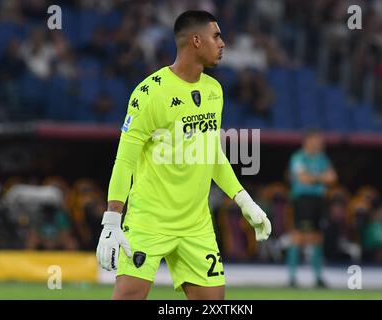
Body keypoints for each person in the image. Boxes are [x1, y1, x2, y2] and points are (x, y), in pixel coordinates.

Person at [96, 10, 271, 300]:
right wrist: (112, 221)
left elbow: (211, 153)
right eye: (216, 36)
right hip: (148, 221)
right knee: (128, 296)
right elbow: (125, 159)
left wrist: (244, 201)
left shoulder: (214, 90)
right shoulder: (150, 93)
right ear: (196, 41)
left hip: (196, 225)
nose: (223, 43)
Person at [287, 129, 337, 288]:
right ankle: (292, 279)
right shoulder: (298, 158)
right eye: (316, 140)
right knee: (298, 237)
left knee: (317, 238)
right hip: (303, 201)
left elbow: (333, 178)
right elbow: (303, 179)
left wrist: (314, 178)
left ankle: (318, 278)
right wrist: (321, 178)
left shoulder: (322, 158)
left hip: (318, 201)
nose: (319, 143)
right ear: (307, 141)